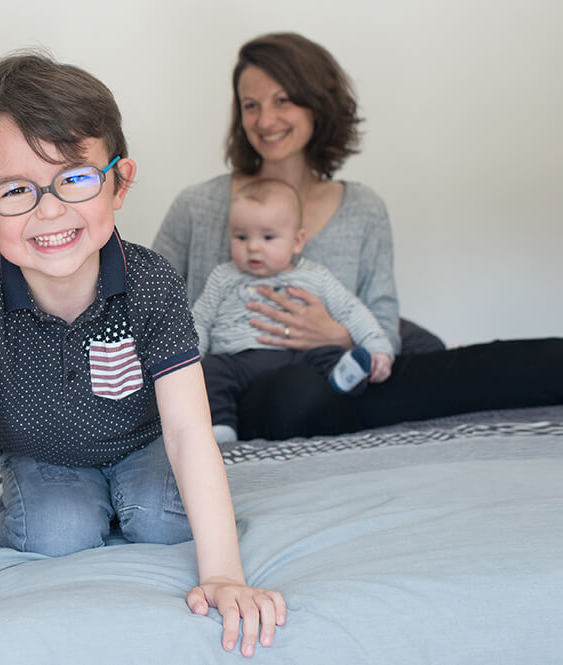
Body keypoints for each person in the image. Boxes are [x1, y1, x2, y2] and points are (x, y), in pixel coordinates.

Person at [0, 53, 286, 657]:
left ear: (119, 183)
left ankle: (125, 496)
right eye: (15, 190)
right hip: (43, 456)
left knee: (158, 518)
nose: (50, 209)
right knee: (56, 532)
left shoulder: (150, 282)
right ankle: (63, 495)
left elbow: (185, 428)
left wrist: (225, 573)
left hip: (140, 443)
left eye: (74, 178)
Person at [153, 32, 563, 441]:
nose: (265, 120)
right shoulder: (197, 206)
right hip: (237, 390)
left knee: (470, 366)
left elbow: (384, 325)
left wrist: (336, 334)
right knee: (299, 392)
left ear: (317, 104)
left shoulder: (363, 208)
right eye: (250, 105)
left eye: (283, 100)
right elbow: (145, 306)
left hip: (342, 375)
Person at [195, 178, 393, 443]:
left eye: (268, 237)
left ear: (297, 241)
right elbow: (199, 320)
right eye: (241, 237)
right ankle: (221, 429)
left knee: (329, 353)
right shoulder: (223, 277)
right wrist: (186, 361)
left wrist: (378, 348)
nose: (253, 247)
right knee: (209, 372)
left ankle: (347, 375)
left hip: (298, 357)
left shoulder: (315, 276)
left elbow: (351, 311)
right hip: (236, 360)